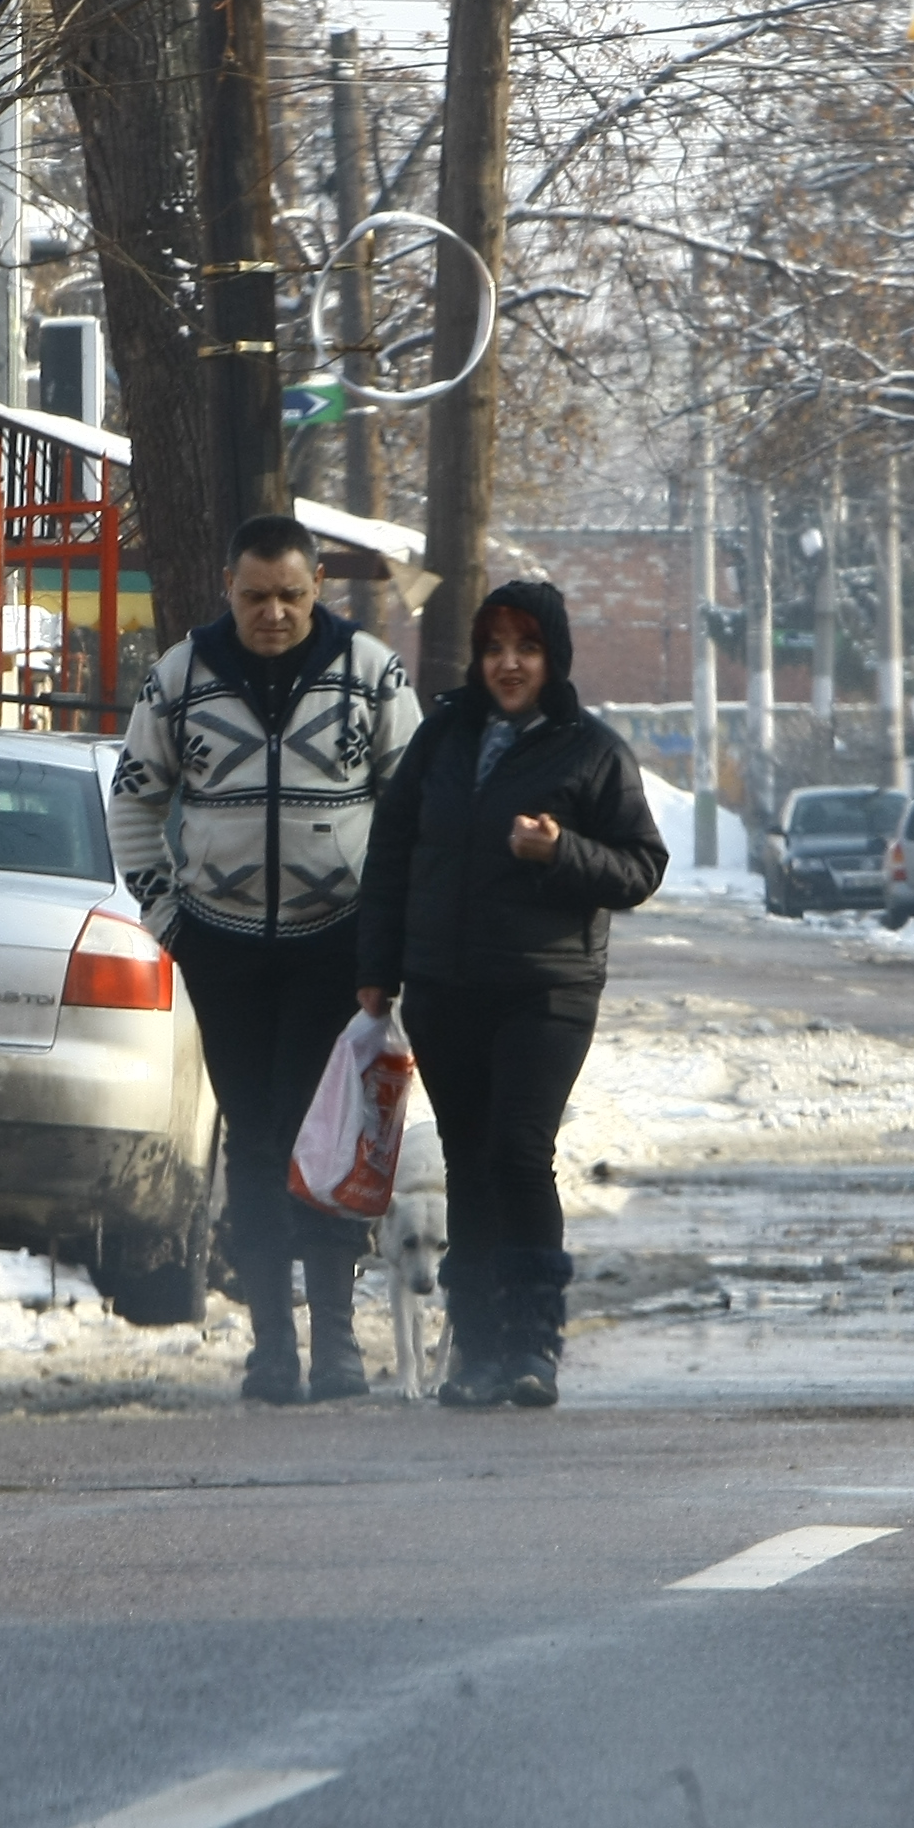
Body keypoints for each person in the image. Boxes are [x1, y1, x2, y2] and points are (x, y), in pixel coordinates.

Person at [110, 515, 419, 1400]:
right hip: (225, 948)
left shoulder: (370, 673)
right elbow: (135, 800)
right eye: (255, 596)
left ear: (317, 585)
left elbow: (410, 805)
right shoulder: (181, 677)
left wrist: (387, 930)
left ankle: (339, 1342)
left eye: (289, 595)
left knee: (329, 1142)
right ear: (227, 587)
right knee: (255, 1142)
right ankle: (271, 1345)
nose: (273, 613)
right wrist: (168, 917)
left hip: (342, 951)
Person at [357, 580, 667, 1408]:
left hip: (546, 991)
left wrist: (563, 852)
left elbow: (641, 867)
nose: (508, 664)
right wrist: (377, 970)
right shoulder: (443, 738)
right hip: (446, 988)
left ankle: (533, 1343)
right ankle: (477, 1351)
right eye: (494, 648)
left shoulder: (590, 750)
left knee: (519, 1156)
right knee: (468, 1164)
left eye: (525, 649)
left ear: (553, 658)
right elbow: (391, 853)